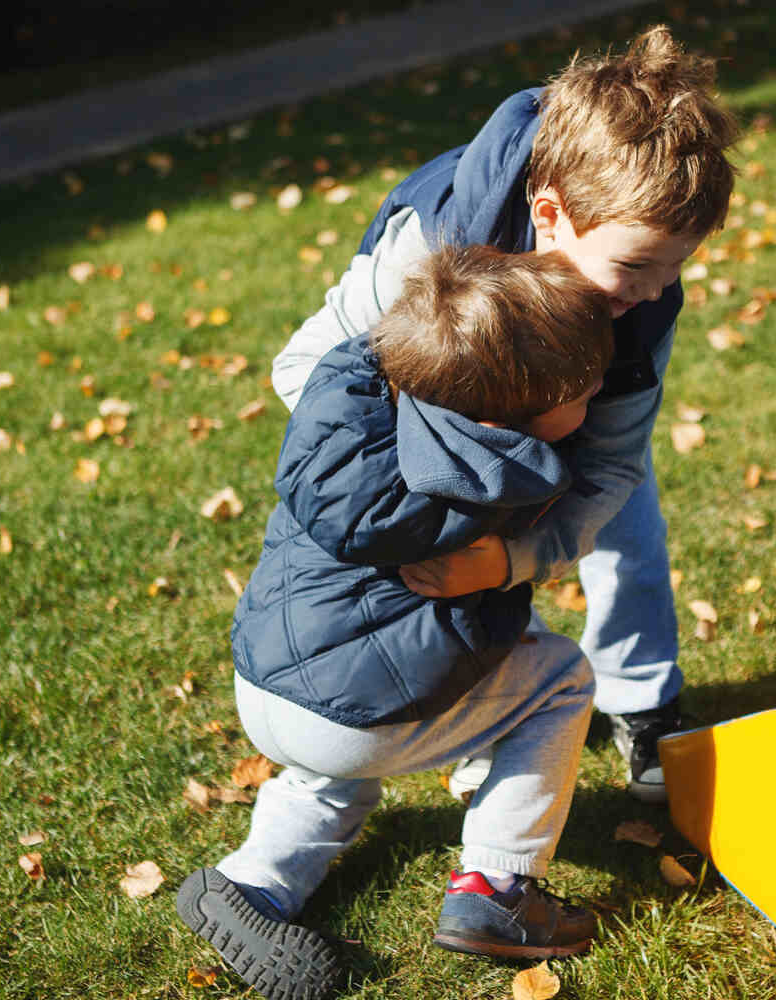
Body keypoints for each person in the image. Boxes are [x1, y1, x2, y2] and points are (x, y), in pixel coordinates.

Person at [270, 25, 737, 804]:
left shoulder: (645, 300)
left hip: (566, 421)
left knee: (623, 514)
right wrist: (439, 463)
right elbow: (305, 369)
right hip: (421, 431)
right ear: (549, 214)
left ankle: (641, 699)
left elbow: (612, 464)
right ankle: (481, 708)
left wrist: (514, 561)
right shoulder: (433, 242)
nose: (655, 290)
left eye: (677, 265)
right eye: (634, 266)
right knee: (444, 554)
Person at [177, 246, 617, 1000]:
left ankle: (253, 884)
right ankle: (499, 888)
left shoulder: (358, 418)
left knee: (338, 749)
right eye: (581, 392)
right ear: (505, 417)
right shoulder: (493, 481)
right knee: (560, 678)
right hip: (356, 717)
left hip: (266, 686)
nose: (598, 398)